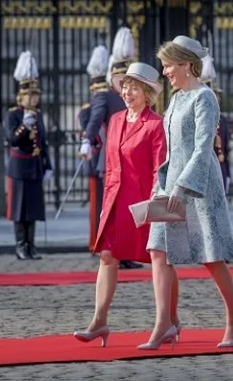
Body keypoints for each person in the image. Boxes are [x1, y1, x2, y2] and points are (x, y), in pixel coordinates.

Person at [141, 36, 233, 351]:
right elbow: (173, 149)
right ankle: (165, 323)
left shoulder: (205, 98)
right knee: (158, 251)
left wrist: (183, 185)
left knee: (210, 256)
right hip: (171, 184)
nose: (166, 71)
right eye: (164, 65)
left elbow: (202, 149)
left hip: (198, 187)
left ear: (187, 64)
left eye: (169, 64)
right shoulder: (175, 98)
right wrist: (161, 183)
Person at [73, 63, 178, 345]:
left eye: (134, 87)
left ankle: (166, 322)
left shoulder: (155, 125)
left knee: (161, 259)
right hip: (117, 202)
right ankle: (99, 322)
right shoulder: (117, 119)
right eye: (125, 86)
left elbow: (161, 168)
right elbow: (110, 163)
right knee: (108, 256)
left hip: (144, 202)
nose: (127, 91)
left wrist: (158, 200)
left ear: (147, 93)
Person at [79, 28, 142, 270]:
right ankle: (114, 251)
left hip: (131, 159)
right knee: (113, 208)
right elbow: (94, 121)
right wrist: (87, 140)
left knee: (126, 208)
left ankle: (125, 252)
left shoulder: (132, 98)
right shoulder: (104, 97)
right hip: (111, 159)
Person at [5, 51, 53, 260]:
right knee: (19, 209)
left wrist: (48, 165)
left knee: (32, 208)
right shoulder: (13, 114)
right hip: (19, 167)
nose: (34, 99)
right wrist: (24, 126)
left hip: (35, 167)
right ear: (21, 96)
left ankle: (31, 245)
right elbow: (12, 139)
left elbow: (43, 142)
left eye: (36, 96)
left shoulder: (39, 115)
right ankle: (20, 245)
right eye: (30, 96)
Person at [200, 55, 230, 193]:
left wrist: (227, 172)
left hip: (220, 167)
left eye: (217, 94)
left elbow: (225, 148)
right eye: (214, 94)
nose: (217, 97)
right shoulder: (198, 116)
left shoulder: (222, 119)